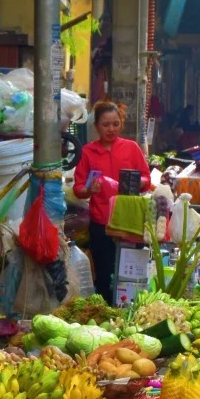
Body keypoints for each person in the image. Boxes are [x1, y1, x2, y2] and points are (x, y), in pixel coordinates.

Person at [73, 100, 151, 302]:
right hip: (101, 223)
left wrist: (137, 181)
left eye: (116, 124)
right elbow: (78, 188)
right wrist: (89, 190)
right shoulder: (88, 152)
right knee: (104, 273)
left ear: (121, 123)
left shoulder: (131, 148)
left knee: (130, 272)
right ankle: (106, 310)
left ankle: (131, 308)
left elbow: (147, 179)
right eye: (105, 124)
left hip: (130, 222)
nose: (111, 129)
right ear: (96, 126)